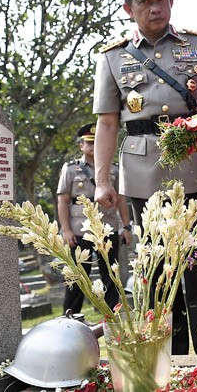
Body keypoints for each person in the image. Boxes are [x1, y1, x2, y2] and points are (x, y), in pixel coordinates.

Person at [92, 0, 197, 355]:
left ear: (170, 1)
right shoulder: (111, 57)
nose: (155, 7)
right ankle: (167, 355)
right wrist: (103, 180)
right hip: (142, 173)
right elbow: (106, 123)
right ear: (127, 8)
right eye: (143, 2)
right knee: (156, 267)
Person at [57, 123, 131, 313]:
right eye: (88, 143)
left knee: (111, 274)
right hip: (79, 229)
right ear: (81, 146)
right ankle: (70, 317)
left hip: (108, 226)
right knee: (79, 275)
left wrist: (126, 226)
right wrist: (65, 230)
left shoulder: (113, 169)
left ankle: (112, 315)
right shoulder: (70, 169)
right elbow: (63, 200)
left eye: (95, 142)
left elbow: (122, 200)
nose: (91, 146)